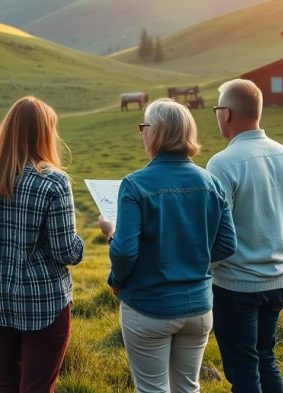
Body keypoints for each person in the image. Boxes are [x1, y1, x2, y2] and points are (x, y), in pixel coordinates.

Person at [99, 98, 236, 393]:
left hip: (149, 306)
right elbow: (227, 245)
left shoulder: (135, 185)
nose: (142, 133)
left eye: (143, 127)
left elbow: (124, 250)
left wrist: (112, 249)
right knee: (188, 388)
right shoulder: (211, 182)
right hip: (199, 308)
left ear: (156, 132)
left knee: (152, 390)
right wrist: (191, 257)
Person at [0, 96, 84, 393]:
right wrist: (86, 243)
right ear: (44, 133)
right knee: (37, 388)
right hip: (43, 303)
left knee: (5, 384)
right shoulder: (53, 182)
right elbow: (66, 250)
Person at [207, 79, 283, 393]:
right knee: (265, 358)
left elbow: (215, 232)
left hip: (237, 284)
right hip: (280, 279)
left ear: (227, 114)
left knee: (244, 371)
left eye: (217, 109)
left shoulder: (222, 163)